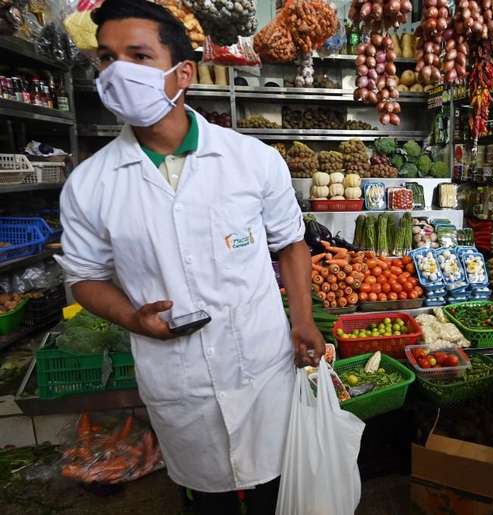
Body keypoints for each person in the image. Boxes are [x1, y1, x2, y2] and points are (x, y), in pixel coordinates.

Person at [55, 1, 326, 513]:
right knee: (206, 500)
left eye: (138, 55)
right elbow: (86, 277)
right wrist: (131, 317)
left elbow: (290, 242)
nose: (118, 73)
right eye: (107, 59)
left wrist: (303, 319)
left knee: (279, 488)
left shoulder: (252, 161)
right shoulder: (89, 186)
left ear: (183, 72)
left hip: (263, 364)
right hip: (178, 377)